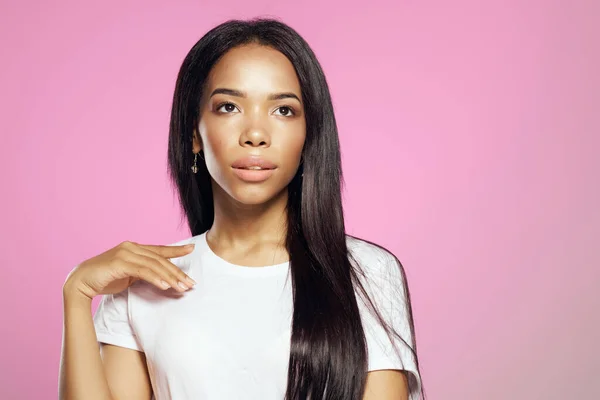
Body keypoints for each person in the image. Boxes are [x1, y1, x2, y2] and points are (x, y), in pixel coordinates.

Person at [59, 17, 423, 400]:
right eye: (228, 106)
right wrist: (78, 290)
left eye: (283, 110)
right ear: (194, 135)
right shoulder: (144, 283)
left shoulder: (366, 273)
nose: (255, 134)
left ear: (308, 136)